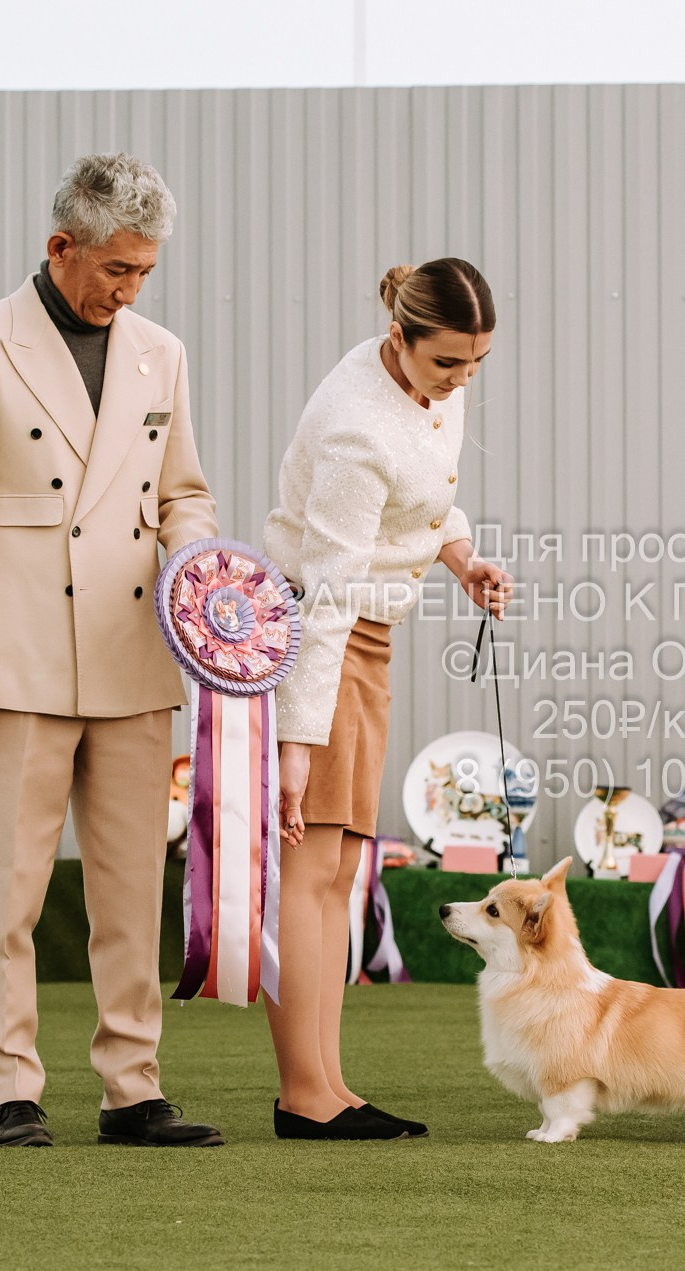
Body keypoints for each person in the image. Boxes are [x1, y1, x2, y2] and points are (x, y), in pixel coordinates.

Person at [0, 154, 224, 1148]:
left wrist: (207, 577)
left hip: (133, 659)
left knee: (132, 887)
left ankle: (133, 1087)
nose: (129, 290)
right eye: (117, 270)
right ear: (59, 247)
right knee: (9, 890)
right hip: (13, 666)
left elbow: (183, 493)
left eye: (144, 273)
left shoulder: (158, 353)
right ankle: (9, 1087)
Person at [262, 259, 512, 1140]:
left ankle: (328, 1083)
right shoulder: (355, 428)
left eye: (476, 363)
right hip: (319, 644)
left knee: (339, 868)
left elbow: (428, 504)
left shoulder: (428, 383)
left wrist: (463, 558)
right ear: (400, 337)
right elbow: (325, 594)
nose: (462, 381)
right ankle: (304, 1093)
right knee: (310, 867)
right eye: (448, 363)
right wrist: (297, 742)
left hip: (373, 637)